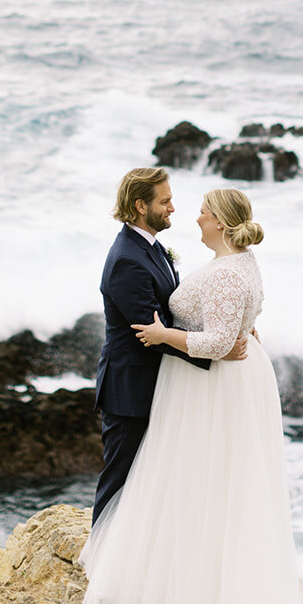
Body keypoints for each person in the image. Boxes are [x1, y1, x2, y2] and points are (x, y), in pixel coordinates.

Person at [81, 185, 303, 604]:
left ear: (219, 221)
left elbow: (216, 341)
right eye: (178, 204)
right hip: (214, 382)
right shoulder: (235, 263)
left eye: (200, 210)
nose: (190, 215)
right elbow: (228, 320)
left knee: (207, 482)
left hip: (212, 385)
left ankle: (193, 600)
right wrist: (234, 327)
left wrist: (163, 335)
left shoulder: (226, 270)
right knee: (205, 481)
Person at [92, 167, 248, 525]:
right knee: (120, 481)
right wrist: (216, 350)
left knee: (149, 482)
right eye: (165, 201)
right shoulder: (126, 262)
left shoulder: (150, 247)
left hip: (157, 386)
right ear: (140, 206)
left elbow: (170, 318)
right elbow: (152, 333)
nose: (174, 208)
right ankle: (98, 566)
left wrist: (232, 324)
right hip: (130, 390)